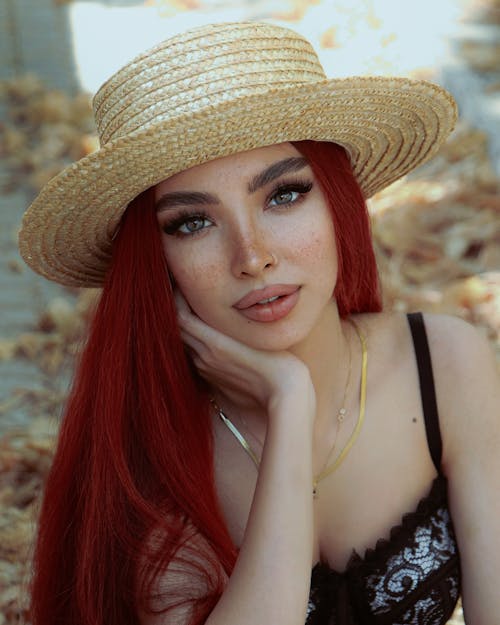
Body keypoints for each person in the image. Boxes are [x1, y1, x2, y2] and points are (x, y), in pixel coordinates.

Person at [18, 21, 499, 625]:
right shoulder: (154, 453)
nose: (252, 257)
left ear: (337, 201)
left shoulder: (446, 363)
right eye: (193, 223)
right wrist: (289, 405)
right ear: (156, 264)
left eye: (283, 195)